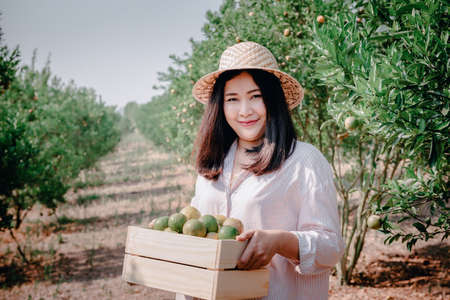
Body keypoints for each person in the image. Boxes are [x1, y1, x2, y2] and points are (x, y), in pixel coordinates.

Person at [176, 41, 344, 300]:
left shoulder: (303, 161)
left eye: (256, 96)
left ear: (273, 99)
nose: (245, 111)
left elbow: (330, 248)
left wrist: (279, 241)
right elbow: (199, 236)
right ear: (220, 106)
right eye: (233, 99)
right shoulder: (214, 162)